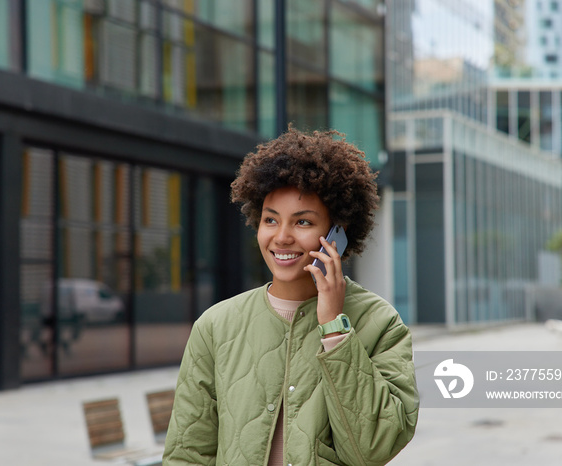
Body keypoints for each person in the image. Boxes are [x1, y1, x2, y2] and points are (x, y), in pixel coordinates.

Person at [163, 126, 418, 465]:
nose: (281, 237)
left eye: (302, 223)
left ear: (338, 233)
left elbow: (374, 448)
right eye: (271, 220)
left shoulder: (381, 323)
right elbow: (187, 453)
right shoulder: (215, 326)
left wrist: (335, 330)